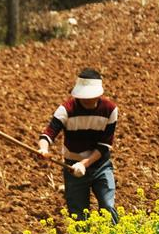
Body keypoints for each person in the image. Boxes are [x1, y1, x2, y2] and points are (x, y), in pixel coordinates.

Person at [37, 68, 119, 224]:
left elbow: (104, 145)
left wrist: (84, 164)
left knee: (108, 207)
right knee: (78, 215)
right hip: (71, 167)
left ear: (99, 93)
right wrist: (43, 148)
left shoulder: (110, 110)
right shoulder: (67, 109)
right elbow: (49, 133)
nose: (86, 99)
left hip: (100, 165)